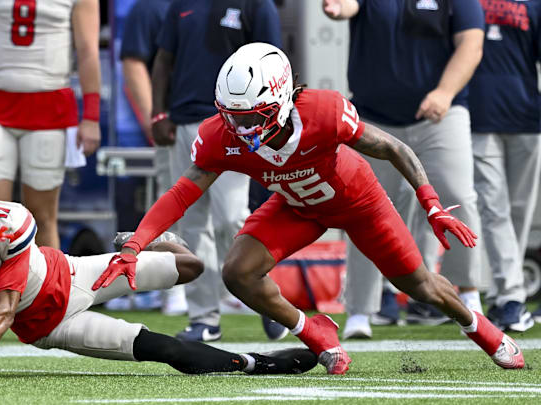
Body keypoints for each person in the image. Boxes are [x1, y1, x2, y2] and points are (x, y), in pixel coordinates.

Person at [93, 43, 526, 375]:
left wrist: (431, 204)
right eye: (231, 117)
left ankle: (480, 327)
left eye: (249, 118)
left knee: (422, 287)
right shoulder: (221, 134)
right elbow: (181, 193)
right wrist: (135, 244)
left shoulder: (323, 112)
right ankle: (311, 329)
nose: (238, 129)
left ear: (280, 100)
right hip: (297, 206)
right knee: (237, 272)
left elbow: (394, 149)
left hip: (360, 204)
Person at [0, 158, 317, 380]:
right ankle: (257, 363)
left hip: (74, 273)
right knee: (167, 350)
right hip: (50, 325)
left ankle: (141, 239)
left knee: (192, 265)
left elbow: (4, 307)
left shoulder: (10, 218)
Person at [322, 0, 486, 339]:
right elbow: (348, 5)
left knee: (459, 195)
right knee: (360, 209)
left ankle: (468, 292)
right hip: (373, 119)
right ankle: (360, 311)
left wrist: (444, 92)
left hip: (439, 115)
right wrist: (338, 7)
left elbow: (471, 43)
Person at [151, 0, 285, 342]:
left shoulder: (258, 5)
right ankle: (204, 318)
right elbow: (164, 59)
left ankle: (270, 303)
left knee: (231, 218)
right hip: (185, 120)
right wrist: (158, 113)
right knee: (194, 224)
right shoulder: (180, 4)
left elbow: (274, 64)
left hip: (236, 125)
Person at [0, 0, 102, 251]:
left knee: (43, 217)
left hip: (48, 108)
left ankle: (47, 289)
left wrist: (91, 116)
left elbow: (87, 51)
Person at [468, 0, 541, 332]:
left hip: (526, 116)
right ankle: (513, 298)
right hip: (478, 115)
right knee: (494, 208)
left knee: (519, 211)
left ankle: (501, 294)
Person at [119, 0, 186, 315]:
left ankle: (222, 286)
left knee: (227, 211)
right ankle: (173, 284)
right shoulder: (150, 7)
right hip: (175, 122)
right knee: (170, 203)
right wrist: (154, 118)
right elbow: (133, 64)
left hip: (223, 121)